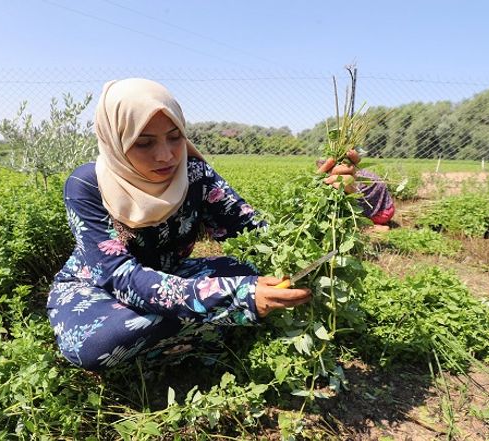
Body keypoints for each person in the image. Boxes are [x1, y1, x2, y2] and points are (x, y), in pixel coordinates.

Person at [46, 78, 312, 371]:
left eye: (175, 137)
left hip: (172, 276)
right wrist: (236, 296)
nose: (167, 155)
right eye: (143, 142)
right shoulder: (87, 185)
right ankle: (204, 327)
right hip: (99, 291)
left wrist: (323, 195)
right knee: (98, 344)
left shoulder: (194, 173)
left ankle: (181, 332)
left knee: (252, 272)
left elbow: (255, 234)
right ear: (115, 140)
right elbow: (120, 278)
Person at [316, 149, 395, 231]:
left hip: (381, 214)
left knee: (346, 220)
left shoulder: (344, 179)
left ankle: (372, 226)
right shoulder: (353, 169)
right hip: (389, 207)